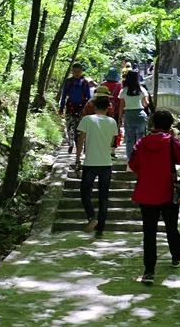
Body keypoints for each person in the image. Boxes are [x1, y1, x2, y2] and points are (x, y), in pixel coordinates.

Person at [129, 110, 180, 285]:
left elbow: (133, 164)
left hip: (146, 192)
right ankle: (176, 256)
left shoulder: (142, 142)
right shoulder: (171, 141)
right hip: (168, 191)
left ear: (153, 123)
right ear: (170, 125)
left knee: (149, 232)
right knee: (171, 227)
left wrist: (146, 174)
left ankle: (149, 272)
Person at [75, 95, 118, 239]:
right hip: (106, 163)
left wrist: (77, 159)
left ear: (94, 107)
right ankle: (100, 229)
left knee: (85, 192)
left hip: (90, 162)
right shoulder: (112, 122)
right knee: (103, 196)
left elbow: (81, 140)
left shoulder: (87, 119)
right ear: (108, 108)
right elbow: (112, 142)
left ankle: (91, 217)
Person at [58, 63, 91, 154]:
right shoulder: (68, 82)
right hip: (70, 107)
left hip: (82, 108)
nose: (77, 73)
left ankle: (80, 146)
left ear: (81, 72)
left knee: (80, 128)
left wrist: (90, 109)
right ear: (72, 72)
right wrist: (61, 107)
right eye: (75, 71)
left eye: (79, 71)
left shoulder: (84, 83)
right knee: (69, 126)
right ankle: (71, 143)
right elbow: (64, 95)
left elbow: (88, 97)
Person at [119, 69, 150, 161]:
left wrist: (120, 117)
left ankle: (130, 159)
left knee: (129, 139)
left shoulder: (123, 90)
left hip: (128, 114)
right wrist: (147, 97)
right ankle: (140, 157)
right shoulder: (141, 89)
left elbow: (121, 105)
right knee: (140, 138)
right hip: (140, 114)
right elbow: (145, 104)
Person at [100, 67, 123, 155]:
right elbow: (121, 100)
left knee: (103, 128)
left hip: (103, 110)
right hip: (116, 111)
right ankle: (112, 149)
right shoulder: (119, 85)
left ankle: (103, 146)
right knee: (114, 129)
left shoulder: (103, 85)